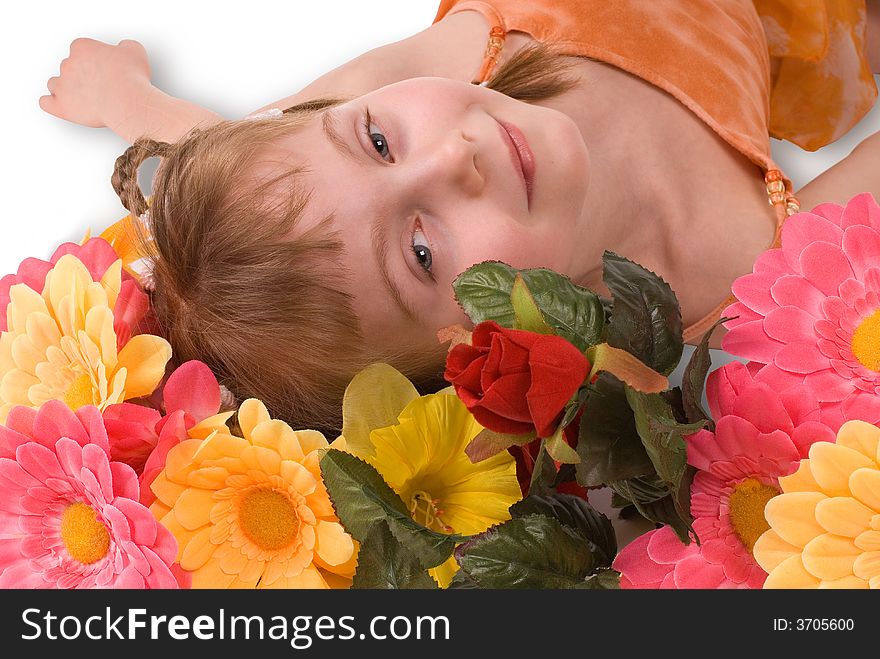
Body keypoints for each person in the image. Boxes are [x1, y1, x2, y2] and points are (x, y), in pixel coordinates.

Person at [38, 0, 880, 433]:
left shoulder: (464, 59)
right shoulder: (746, 282)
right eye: (419, 249)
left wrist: (125, 96)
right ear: (475, 356)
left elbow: (245, 145)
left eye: (375, 136)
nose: (452, 156)